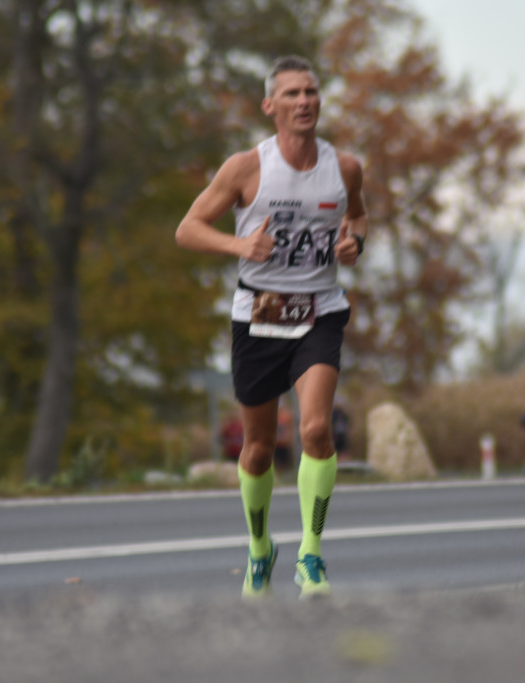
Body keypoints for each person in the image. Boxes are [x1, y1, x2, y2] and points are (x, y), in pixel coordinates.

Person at [176, 55, 368, 599]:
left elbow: (358, 216)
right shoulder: (245, 168)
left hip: (320, 311)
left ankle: (312, 553)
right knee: (258, 449)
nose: (304, 101)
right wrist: (240, 244)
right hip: (257, 316)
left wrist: (355, 241)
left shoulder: (345, 167)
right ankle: (261, 549)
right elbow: (187, 229)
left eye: (311, 91)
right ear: (270, 107)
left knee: (314, 431)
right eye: (292, 94)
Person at [275, 399, 295, 470]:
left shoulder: (286, 415)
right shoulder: (274, 416)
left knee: (285, 462)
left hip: (284, 443)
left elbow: (289, 429)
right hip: (276, 444)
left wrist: (289, 439)